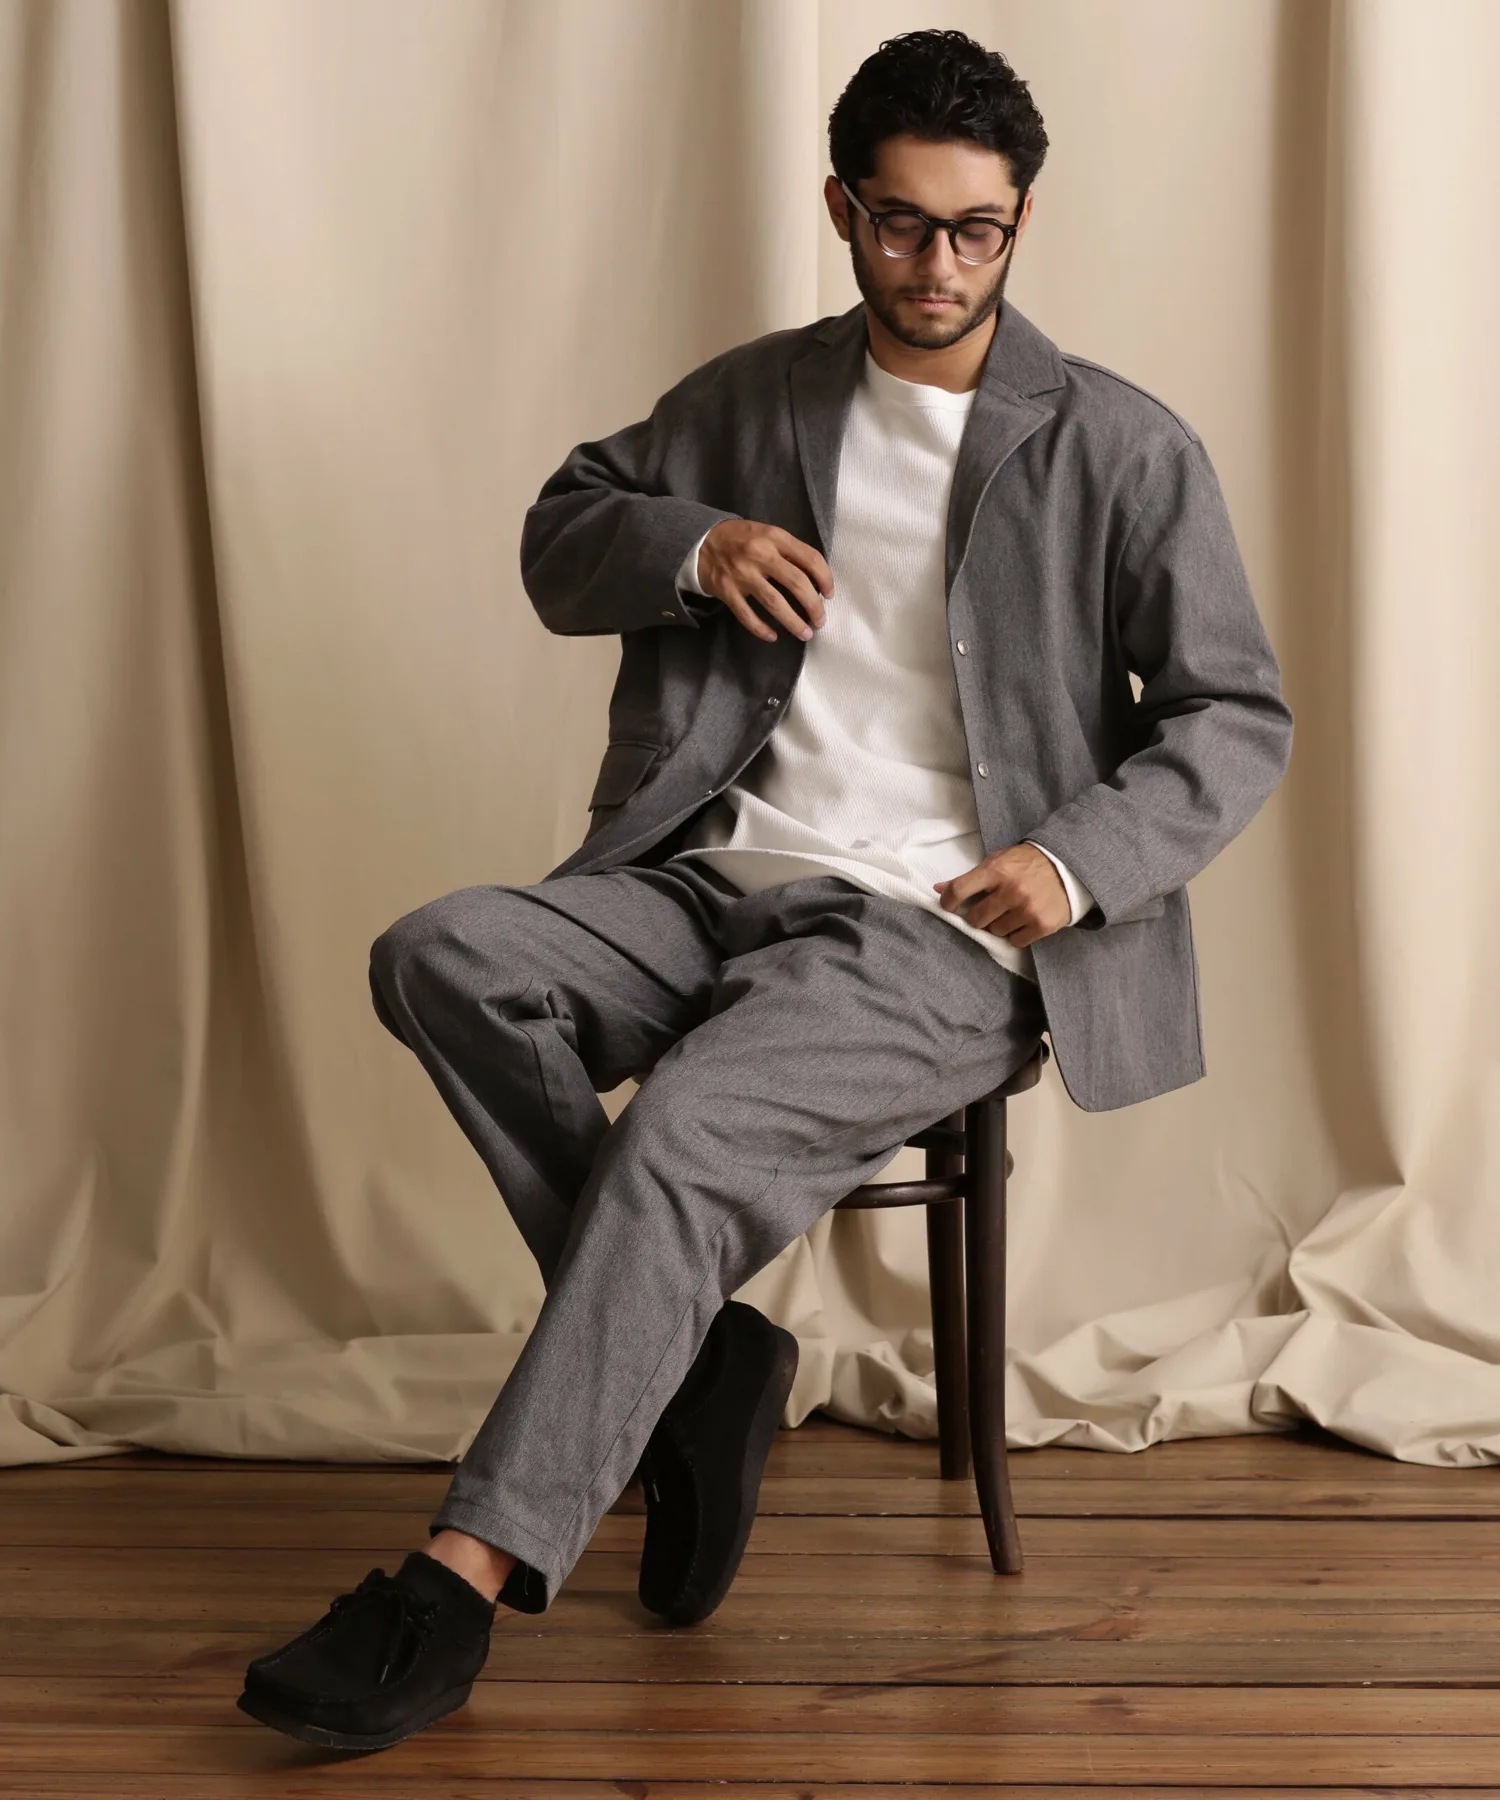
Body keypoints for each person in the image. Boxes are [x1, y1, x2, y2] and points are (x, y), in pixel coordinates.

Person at [236, 28, 1294, 1752]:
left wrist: (1073, 861)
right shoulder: (749, 400)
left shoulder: (1119, 445)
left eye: (976, 228)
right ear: (841, 208)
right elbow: (561, 535)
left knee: (684, 1133)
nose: (937, 263)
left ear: (1022, 223)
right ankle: (702, 1360)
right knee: (440, 957)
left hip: (942, 932)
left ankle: (459, 1580)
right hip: (710, 869)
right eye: (901, 223)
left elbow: (1236, 714)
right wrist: (691, 545)